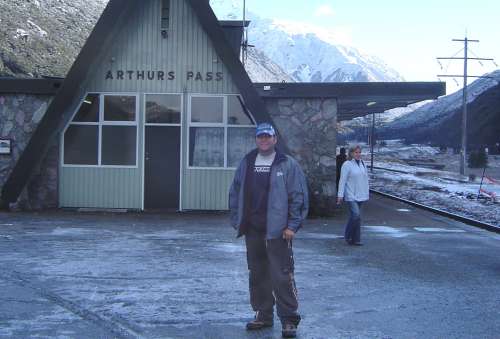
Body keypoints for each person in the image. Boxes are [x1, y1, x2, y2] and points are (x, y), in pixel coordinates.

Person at [229, 122, 309, 338]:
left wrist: (293, 225)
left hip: (279, 232)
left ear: (275, 139)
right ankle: (263, 315)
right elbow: (235, 192)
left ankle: (289, 319)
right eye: (260, 137)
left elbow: (298, 197)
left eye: (268, 137)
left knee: (282, 276)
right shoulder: (247, 162)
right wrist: (237, 219)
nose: (264, 140)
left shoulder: (287, 164)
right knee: (258, 275)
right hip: (253, 230)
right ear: (256, 139)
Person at [336, 145, 369, 246]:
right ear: (351, 153)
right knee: (356, 215)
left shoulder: (363, 163)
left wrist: (366, 192)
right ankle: (348, 235)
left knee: (356, 217)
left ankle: (356, 239)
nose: (358, 154)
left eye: (359, 152)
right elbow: (342, 181)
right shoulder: (347, 164)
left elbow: (365, 180)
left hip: (361, 194)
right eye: (356, 152)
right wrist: (340, 195)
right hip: (351, 195)